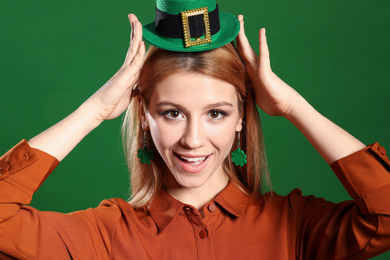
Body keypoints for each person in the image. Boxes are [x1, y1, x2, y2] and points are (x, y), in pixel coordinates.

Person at [1, 0, 389, 259]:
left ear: (241, 117)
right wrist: (95, 109)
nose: (193, 139)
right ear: (144, 116)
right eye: (172, 113)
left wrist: (293, 106)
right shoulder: (102, 237)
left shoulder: (294, 226)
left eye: (216, 113)